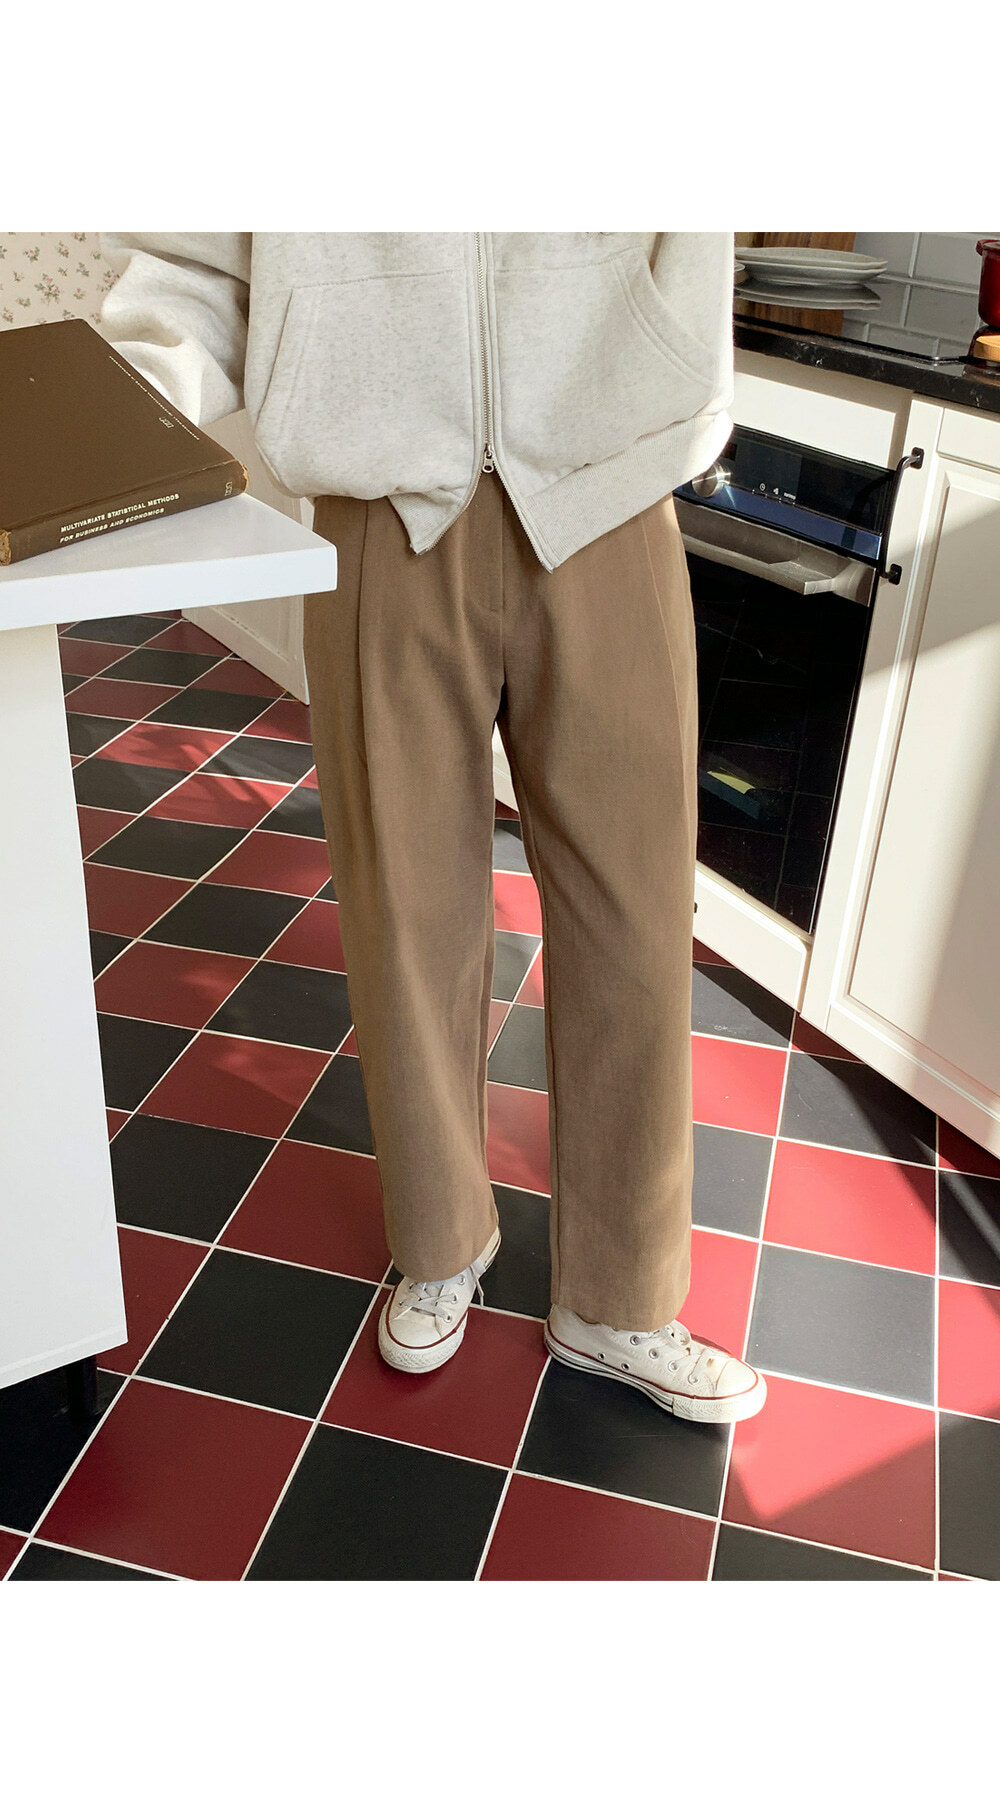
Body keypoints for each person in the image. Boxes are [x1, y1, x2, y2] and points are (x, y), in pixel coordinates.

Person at [98, 230, 766, 1426]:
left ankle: (618, 1299)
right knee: (406, 907)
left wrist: (665, 394)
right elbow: (194, 271)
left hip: (609, 498)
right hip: (378, 512)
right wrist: (100, 424)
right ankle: (441, 1237)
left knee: (635, 912)